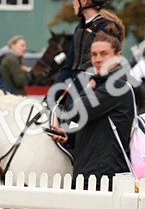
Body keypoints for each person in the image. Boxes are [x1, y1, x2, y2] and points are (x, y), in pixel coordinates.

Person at [45, 33, 137, 185]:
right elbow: (98, 129)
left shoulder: (116, 86)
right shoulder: (100, 84)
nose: (98, 59)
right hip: (90, 175)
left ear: (118, 56)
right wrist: (69, 136)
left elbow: (76, 112)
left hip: (103, 179)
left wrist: (87, 88)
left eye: (104, 54)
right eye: (94, 54)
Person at [52, 0, 125, 93]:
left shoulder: (108, 27)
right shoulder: (79, 28)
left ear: (84, 0)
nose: (73, 3)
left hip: (98, 92)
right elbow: (68, 67)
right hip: (76, 90)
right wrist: (51, 96)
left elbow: (107, 64)